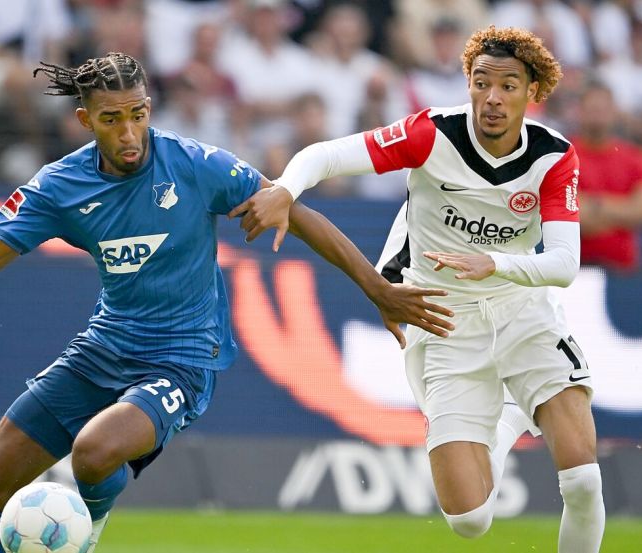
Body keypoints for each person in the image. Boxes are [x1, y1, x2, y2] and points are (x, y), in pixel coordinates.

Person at [0, 52, 455, 553]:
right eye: (111, 119)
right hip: (102, 349)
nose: (128, 133)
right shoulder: (60, 187)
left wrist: (377, 287)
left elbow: (299, 216)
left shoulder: (195, 166)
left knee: (94, 454)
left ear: (150, 108)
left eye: (138, 115)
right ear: (84, 119)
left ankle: (89, 527)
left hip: (182, 358)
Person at [233, 26, 604, 552]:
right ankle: (505, 426)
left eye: (508, 86)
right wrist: (287, 190)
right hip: (443, 317)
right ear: (469, 84)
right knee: (470, 520)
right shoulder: (432, 134)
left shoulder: (553, 156)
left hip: (523, 311)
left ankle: (520, 410)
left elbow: (565, 264)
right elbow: (327, 155)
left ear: (532, 93)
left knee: (584, 480)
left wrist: (491, 263)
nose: (492, 98)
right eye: (481, 83)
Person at [573, 82, 642, 272]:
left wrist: (596, 204)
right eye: (592, 109)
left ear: (614, 112)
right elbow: (569, 215)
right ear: (579, 111)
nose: (598, 115)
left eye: (603, 109)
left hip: (623, 271)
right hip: (575, 271)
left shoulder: (634, 158)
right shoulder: (561, 155)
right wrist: (625, 213)